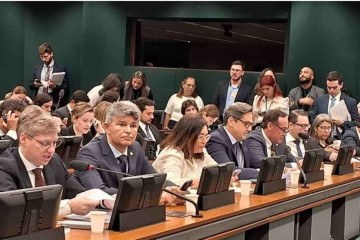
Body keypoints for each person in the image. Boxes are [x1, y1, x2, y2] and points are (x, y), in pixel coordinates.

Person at [0, 105, 99, 218]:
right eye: (45, 143)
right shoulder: (5, 166)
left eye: (55, 143)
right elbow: (15, 213)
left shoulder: (54, 161)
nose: (51, 150)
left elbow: (77, 192)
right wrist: (68, 208)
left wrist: (101, 200)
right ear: (23, 139)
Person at [74, 101, 177, 205]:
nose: (128, 130)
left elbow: (154, 178)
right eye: (122, 124)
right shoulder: (88, 153)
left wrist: (172, 190)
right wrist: (151, 195)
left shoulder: (135, 147)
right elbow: (98, 191)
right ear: (106, 127)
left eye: (133, 126)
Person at [153, 115, 217, 187]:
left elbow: (216, 170)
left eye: (206, 136)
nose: (204, 141)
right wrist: (195, 182)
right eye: (200, 137)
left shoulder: (202, 151)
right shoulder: (172, 154)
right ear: (186, 136)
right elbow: (171, 181)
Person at [206, 102, 259, 180]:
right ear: (231, 121)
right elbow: (229, 171)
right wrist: (259, 172)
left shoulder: (243, 139)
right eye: (246, 124)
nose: (249, 129)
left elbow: (255, 163)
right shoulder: (215, 140)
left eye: (251, 125)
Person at [310, 71, 360, 139]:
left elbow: (357, 123)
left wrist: (342, 123)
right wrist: (321, 123)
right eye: (329, 87)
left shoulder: (350, 102)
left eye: (334, 87)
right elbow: (312, 118)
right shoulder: (320, 100)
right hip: (322, 137)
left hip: (343, 137)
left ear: (341, 85)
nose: (331, 90)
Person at [29, 43, 69, 108]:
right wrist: (35, 84)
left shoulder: (60, 68)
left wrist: (54, 86)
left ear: (51, 54)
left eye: (46, 56)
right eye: (42, 57)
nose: (44, 59)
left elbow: (65, 87)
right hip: (39, 99)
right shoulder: (38, 68)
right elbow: (30, 85)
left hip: (53, 101)